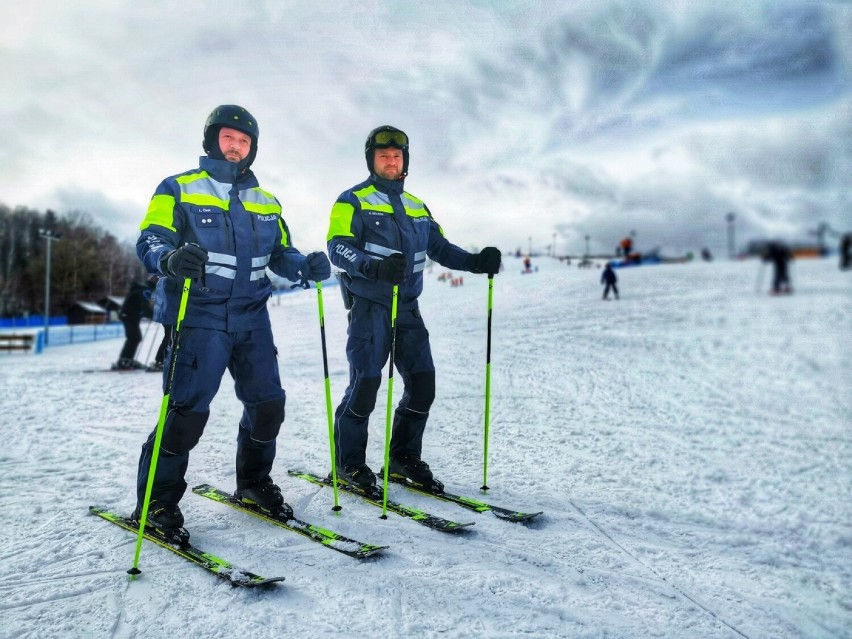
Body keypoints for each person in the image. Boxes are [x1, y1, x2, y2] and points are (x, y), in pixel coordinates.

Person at [132, 104, 331, 532]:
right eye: (228, 138)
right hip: (198, 315)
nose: (236, 147)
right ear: (211, 140)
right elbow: (151, 237)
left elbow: (281, 252)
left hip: (252, 318)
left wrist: (304, 266)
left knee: (268, 406)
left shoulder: (267, 201)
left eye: (244, 141)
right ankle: (157, 504)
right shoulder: (178, 187)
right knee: (186, 412)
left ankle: (254, 483)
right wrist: (168, 258)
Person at [326, 125, 502, 492]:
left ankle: (403, 459)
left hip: (407, 308)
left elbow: (439, 247)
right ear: (371, 160)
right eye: (383, 156)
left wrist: (475, 262)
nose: (391, 162)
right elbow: (337, 246)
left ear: (405, 162)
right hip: (370, 307)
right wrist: (372, 266)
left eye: (397, 156)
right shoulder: (353, 200)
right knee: (365, 385)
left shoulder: (417, 207)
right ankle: (348, 464)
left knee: (422, 385)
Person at [113, 278, 155, 370]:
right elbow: (145, 305)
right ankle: (124, 360)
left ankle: (127, 359)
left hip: (130, 315)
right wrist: (154, 315)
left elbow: (141, 306)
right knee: (134, 337)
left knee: (134, 337)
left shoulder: (141, 289)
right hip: (129, 315)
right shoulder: (145, 290)